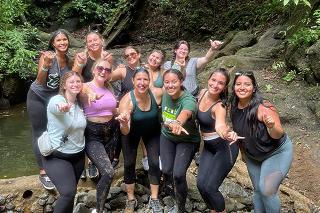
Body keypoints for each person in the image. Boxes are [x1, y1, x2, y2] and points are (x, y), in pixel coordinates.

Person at [230, 71, 293, 213]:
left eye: (247, 84)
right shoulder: (233, 107)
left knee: (267, 191)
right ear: (234, 87)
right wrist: (243, 153)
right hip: (253, 156)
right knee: (258, 190)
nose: (242, 87)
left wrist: (271, 126)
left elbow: (278, 134)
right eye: (238, 84)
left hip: (276, 152)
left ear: (253, 88)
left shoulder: (263, 106)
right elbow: (239, 132)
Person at [27, 30, 73, 190]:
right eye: (58, 40)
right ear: (53, 43)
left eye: (64, 39)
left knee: (58, 131)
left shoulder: (69, 61)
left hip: (54, 101)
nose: (62, 42)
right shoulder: (47, 57)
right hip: (37, 97)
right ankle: (43, 171)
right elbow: (40, 81)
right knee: (40, 132)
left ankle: (58, 165)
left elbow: (70, 82)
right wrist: (46, 64)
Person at [116, 68, 164, 213]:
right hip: (131, 133)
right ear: (133, 81)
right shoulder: (127, 101)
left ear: (150, 81)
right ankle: (131, 199)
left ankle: (154, 198)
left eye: (145, 79)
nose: (142, 83)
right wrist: (124, 122)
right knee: (129, 163)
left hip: (152, 131)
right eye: (139, 79)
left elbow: (174, 99)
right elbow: (125, 130)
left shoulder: (157, 93)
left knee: (154, 162)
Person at [196, 68, 243, 213]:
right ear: (209, 79)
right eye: (213, 80)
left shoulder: (219, 107)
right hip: (209, 147)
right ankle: (213, 210)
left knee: (210, 188)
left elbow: (221, 125)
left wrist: (225, 133)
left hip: (224, 147)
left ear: (224, 87)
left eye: (220, 83)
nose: (215, 85)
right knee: (200, 185)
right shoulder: (202, 92)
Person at [42, 71, 86, 213]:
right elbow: (57, 108)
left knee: (70, 196)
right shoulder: (56, 100)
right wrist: (62, 107)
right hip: (57, 156)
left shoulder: (80, 103)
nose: (75, 84)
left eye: (78, 81)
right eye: (71, 82)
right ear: (64, 85)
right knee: (67, 193)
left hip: (78, 156)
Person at [73, 30, 114, 178]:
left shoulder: (108, 57)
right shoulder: (83, 57)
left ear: (102, 41)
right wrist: (80, 63)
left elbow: (109, 77)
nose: (93, 43)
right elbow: (75, 77)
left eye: (95, 40)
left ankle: (92, 163)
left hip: (99, 95)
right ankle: (81, 165)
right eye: (89, 41)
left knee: (93, 131)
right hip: (82, 94)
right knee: (80, 130)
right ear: (87, 44)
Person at [80, 58, 119, 213]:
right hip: (93, 134)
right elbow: (86, 90)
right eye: (101, 68)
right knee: (109, 172)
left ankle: (100, 202)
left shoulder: (109, 88)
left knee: (106, 172)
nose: (104, 71)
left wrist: (123, 113)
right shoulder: (85, 86)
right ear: (94, 70)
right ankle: (98, 210)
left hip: (111, 132)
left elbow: (113, 110)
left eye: (107, 70)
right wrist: (92, 93)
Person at [160, 69, 200, 213]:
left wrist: (178, 122)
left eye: (174, 82)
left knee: (178, 174)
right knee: (166, 171)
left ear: (181, 82)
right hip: (168, 136)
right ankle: (173, 198)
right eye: (167, 82)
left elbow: (186, 112)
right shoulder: (165, 94)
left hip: (188, 139)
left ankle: (181, 209)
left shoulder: (189, 100)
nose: (170, 85)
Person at [109, 46, 142, 168]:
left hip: (140, 108)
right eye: (127, 56)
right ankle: (115, 158)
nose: (129, 57)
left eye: (132, 54)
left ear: (138, 54)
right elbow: (105, 78)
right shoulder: (123, 70)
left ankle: (144, 157)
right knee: (120, 131)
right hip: (124, 106)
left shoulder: (146, 70)